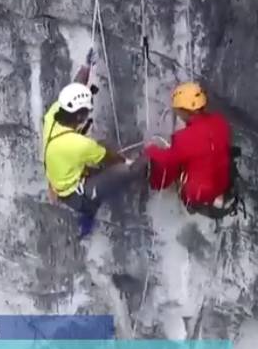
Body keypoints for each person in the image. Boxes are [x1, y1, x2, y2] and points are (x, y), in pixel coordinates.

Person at [42, 55, 147, 238]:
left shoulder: (53, 114)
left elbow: (74, 88)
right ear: (79, 117)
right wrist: (128, 161)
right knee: (128, 170)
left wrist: (85, 67)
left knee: (95, 164)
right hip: (77, 195)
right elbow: (108, 156)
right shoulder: (80, 145)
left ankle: (86, 219)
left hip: (57, 176)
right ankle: (88, 211)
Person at [145, 82, 235, 216]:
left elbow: (166, 168)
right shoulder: (220, 122)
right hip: (222, 188)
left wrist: (150, 150)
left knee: (173, 168)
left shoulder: (184, 138)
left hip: (199, 199)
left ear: (184, 110)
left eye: (177, 110)